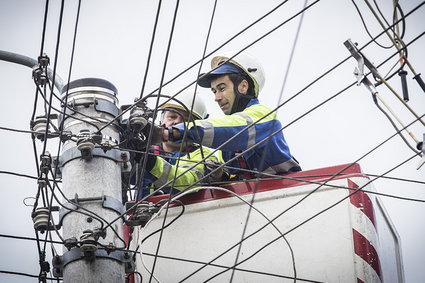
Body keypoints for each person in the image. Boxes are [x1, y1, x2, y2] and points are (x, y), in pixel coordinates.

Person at [160, 51, 301, 178]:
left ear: (243, 86)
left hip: (289, 196)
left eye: (222, 88)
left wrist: (174, 132)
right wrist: (220, 176)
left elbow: (233, 128)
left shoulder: (263, 116)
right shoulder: (225, 149)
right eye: (214, 91)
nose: (217, 97)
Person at [135, 90, 225, 197]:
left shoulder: (202, 155)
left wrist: (149, 161)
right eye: (172, 116)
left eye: (186, 120)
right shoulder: (146, 149)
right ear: (161, 119)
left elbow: (187, 181)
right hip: (140, 213)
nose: (177, 122)